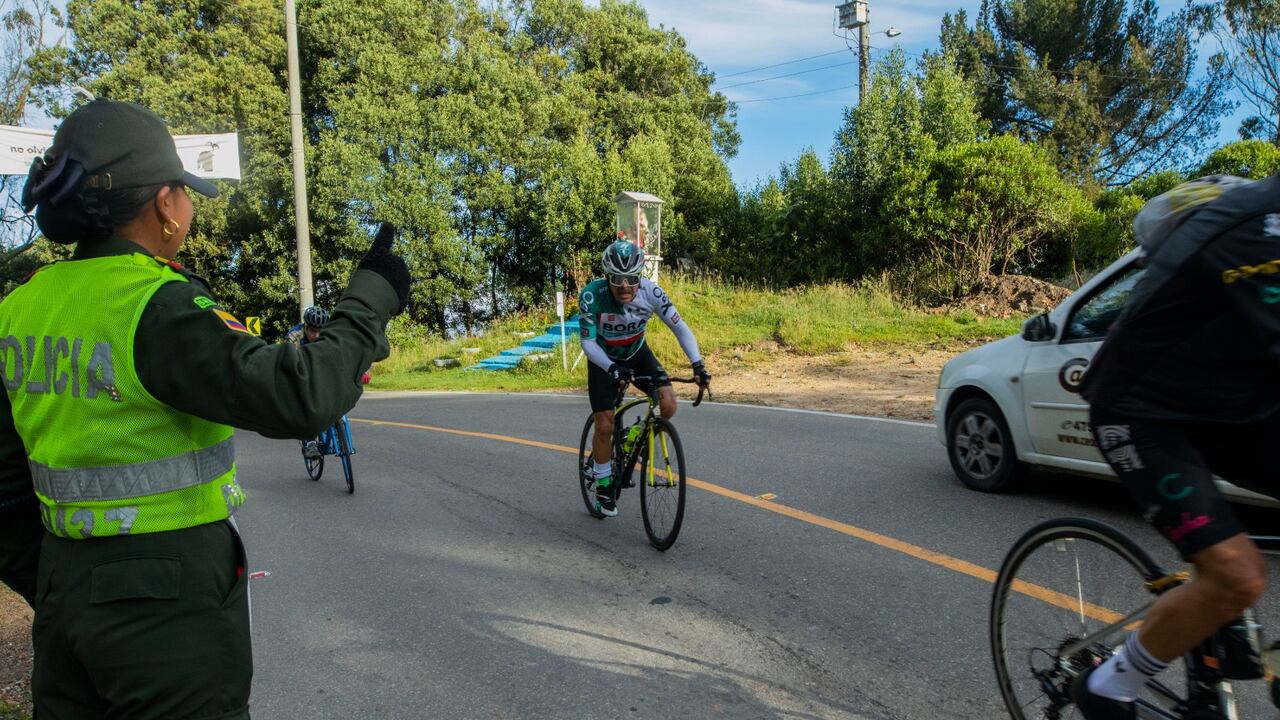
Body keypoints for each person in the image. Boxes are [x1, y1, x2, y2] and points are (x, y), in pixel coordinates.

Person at [0, 99, 411, 720]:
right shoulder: (154, 306)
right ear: (164, 204)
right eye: (185, 192)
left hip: (66, 603)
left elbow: (5, 485)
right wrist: (373, 292)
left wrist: (63, 582)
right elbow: (299, 394)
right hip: (165, 616)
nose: (189, 205)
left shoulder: (20, 308)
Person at [1073, 174, 1280, 719]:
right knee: (1237, 574)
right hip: (1143, 415)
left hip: (1234, 409)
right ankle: (1110, 684)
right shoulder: (1259, 226)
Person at [578, 238, 709, 517]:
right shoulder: (592, 296)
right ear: (606, 277)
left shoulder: (652, 293)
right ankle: (603, 486)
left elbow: (681, 328)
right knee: (604, 423)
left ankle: (633, 436)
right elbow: (588, 344)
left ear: (641, 276)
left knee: (669, 403)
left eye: (631, 278)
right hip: (603, 359)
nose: (624, 285)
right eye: (617, 278)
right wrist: (611, 368)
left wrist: (697, 364)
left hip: (637, 353)